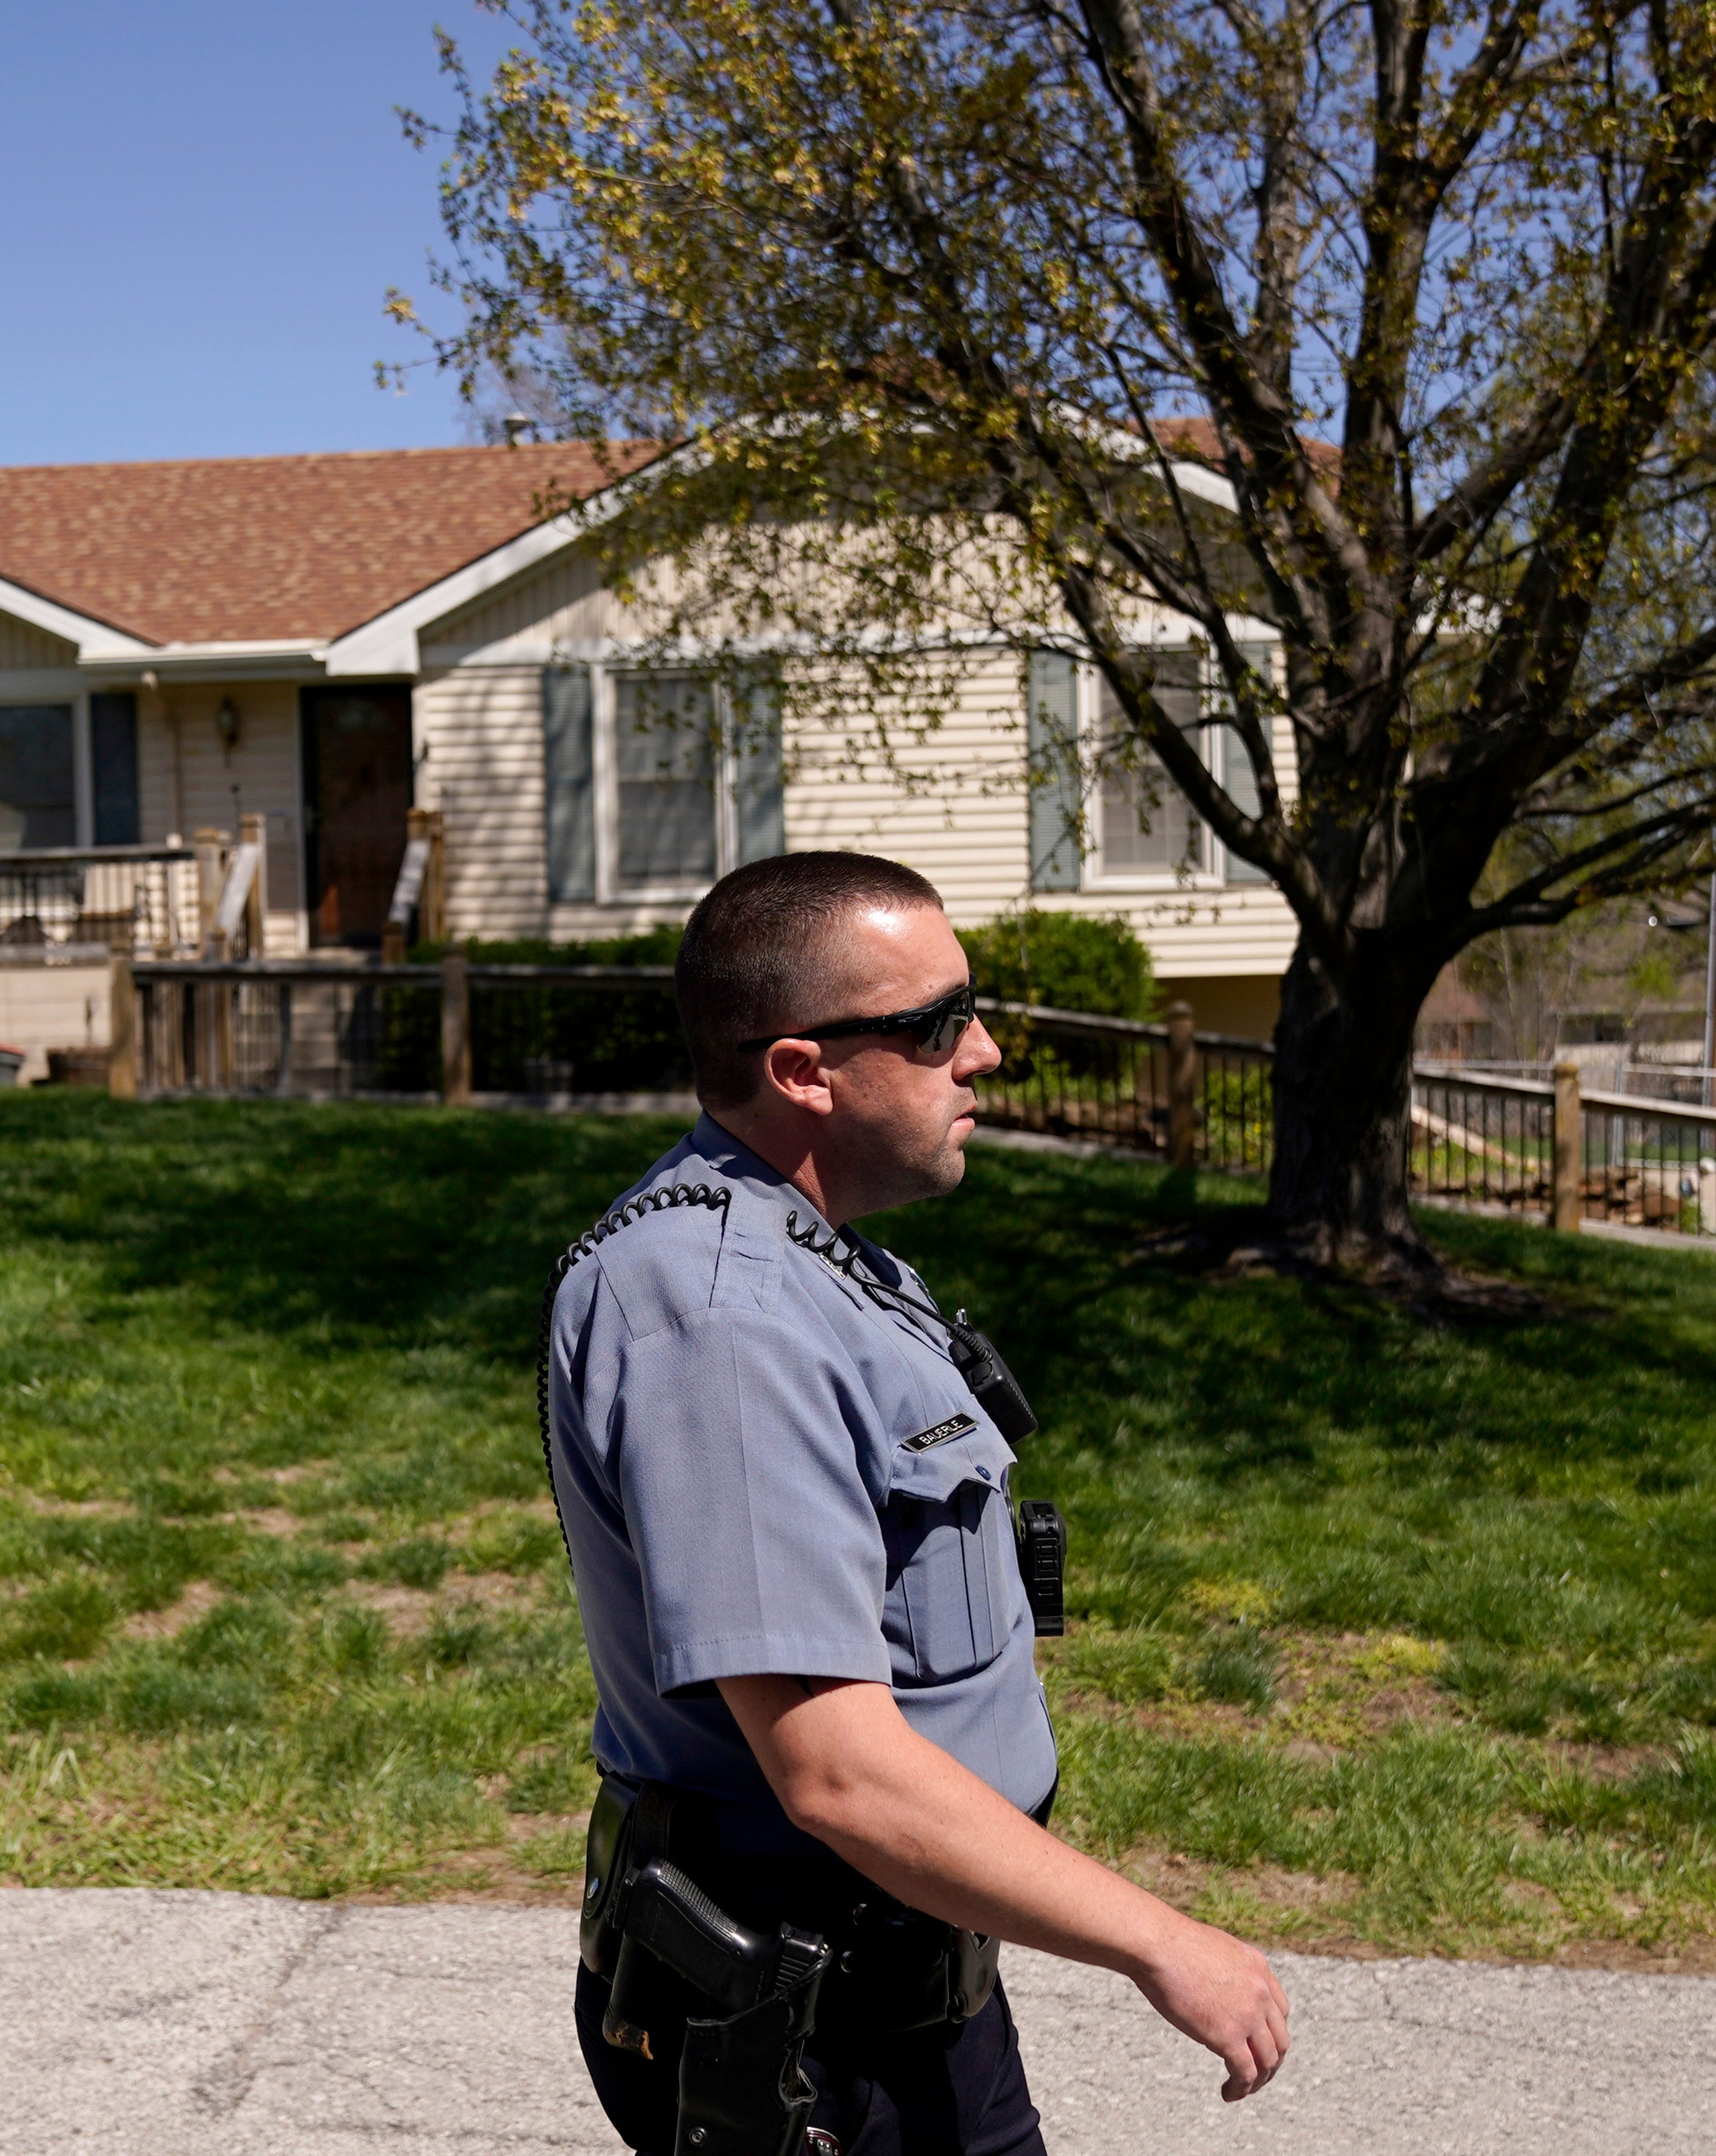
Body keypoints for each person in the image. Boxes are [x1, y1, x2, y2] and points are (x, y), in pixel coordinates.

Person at [544, 851, 1288, 2156]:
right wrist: (1164, 1946)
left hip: (895, 2000)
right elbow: (834, 1772)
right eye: (936, 1024)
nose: (985, 1052)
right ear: (800, 1071)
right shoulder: (726, 1324)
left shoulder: (809, 1250)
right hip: (803, 2043)